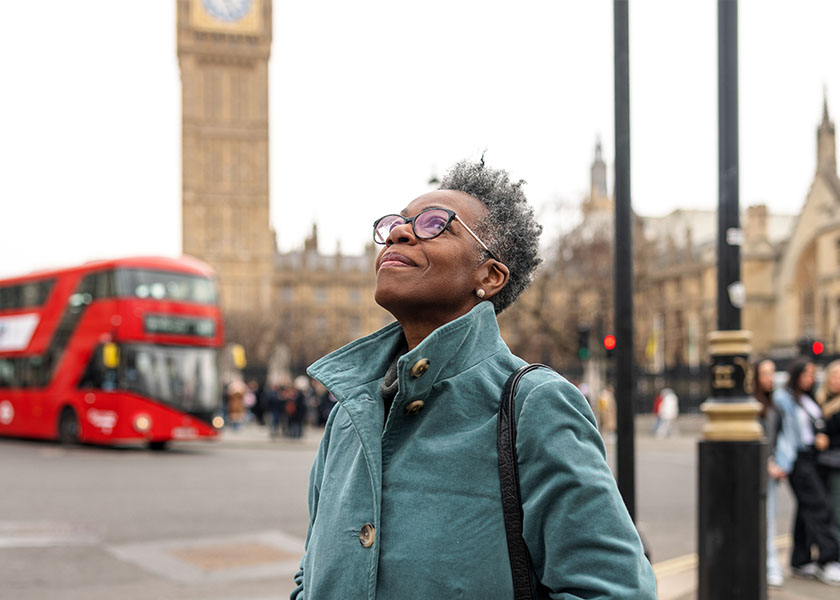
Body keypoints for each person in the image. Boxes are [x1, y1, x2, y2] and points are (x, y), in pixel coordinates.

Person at [291, 159, 656, 599]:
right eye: (396, 223)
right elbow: (311, 570)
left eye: (434, 225)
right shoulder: (348, 414)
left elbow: (614, 589)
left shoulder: (533, 404)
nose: (400, 233)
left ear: (489, 275)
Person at [773, 359, 840, 585]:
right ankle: (828, 560)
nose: (809, 379)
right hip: (798, 460)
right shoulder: (784, 399)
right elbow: (780, 433)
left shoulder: (809, 399)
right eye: (805, 374)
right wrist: (777, 460)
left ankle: (800, 560)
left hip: (814, 458)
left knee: (805, 511)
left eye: (812, 375)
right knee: (821, 508)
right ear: (796, 375)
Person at [754, 358, 785, 588]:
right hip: (756, 471)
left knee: (769, 520)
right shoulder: (753, 405)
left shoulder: (774, 404)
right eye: (765, 373)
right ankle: (765, 565)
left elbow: (778, 439)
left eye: (772, 373)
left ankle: (770, 565)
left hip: (769, 473)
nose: (770, 378)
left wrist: (776, 461)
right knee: (759, 520)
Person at [815, 359, 840, 545]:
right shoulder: (820, 400)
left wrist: (828, 440)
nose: (837, 381)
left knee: (836, 511)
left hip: (836, 464)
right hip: (821, 463)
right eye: (834, 376)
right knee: (824, 510)